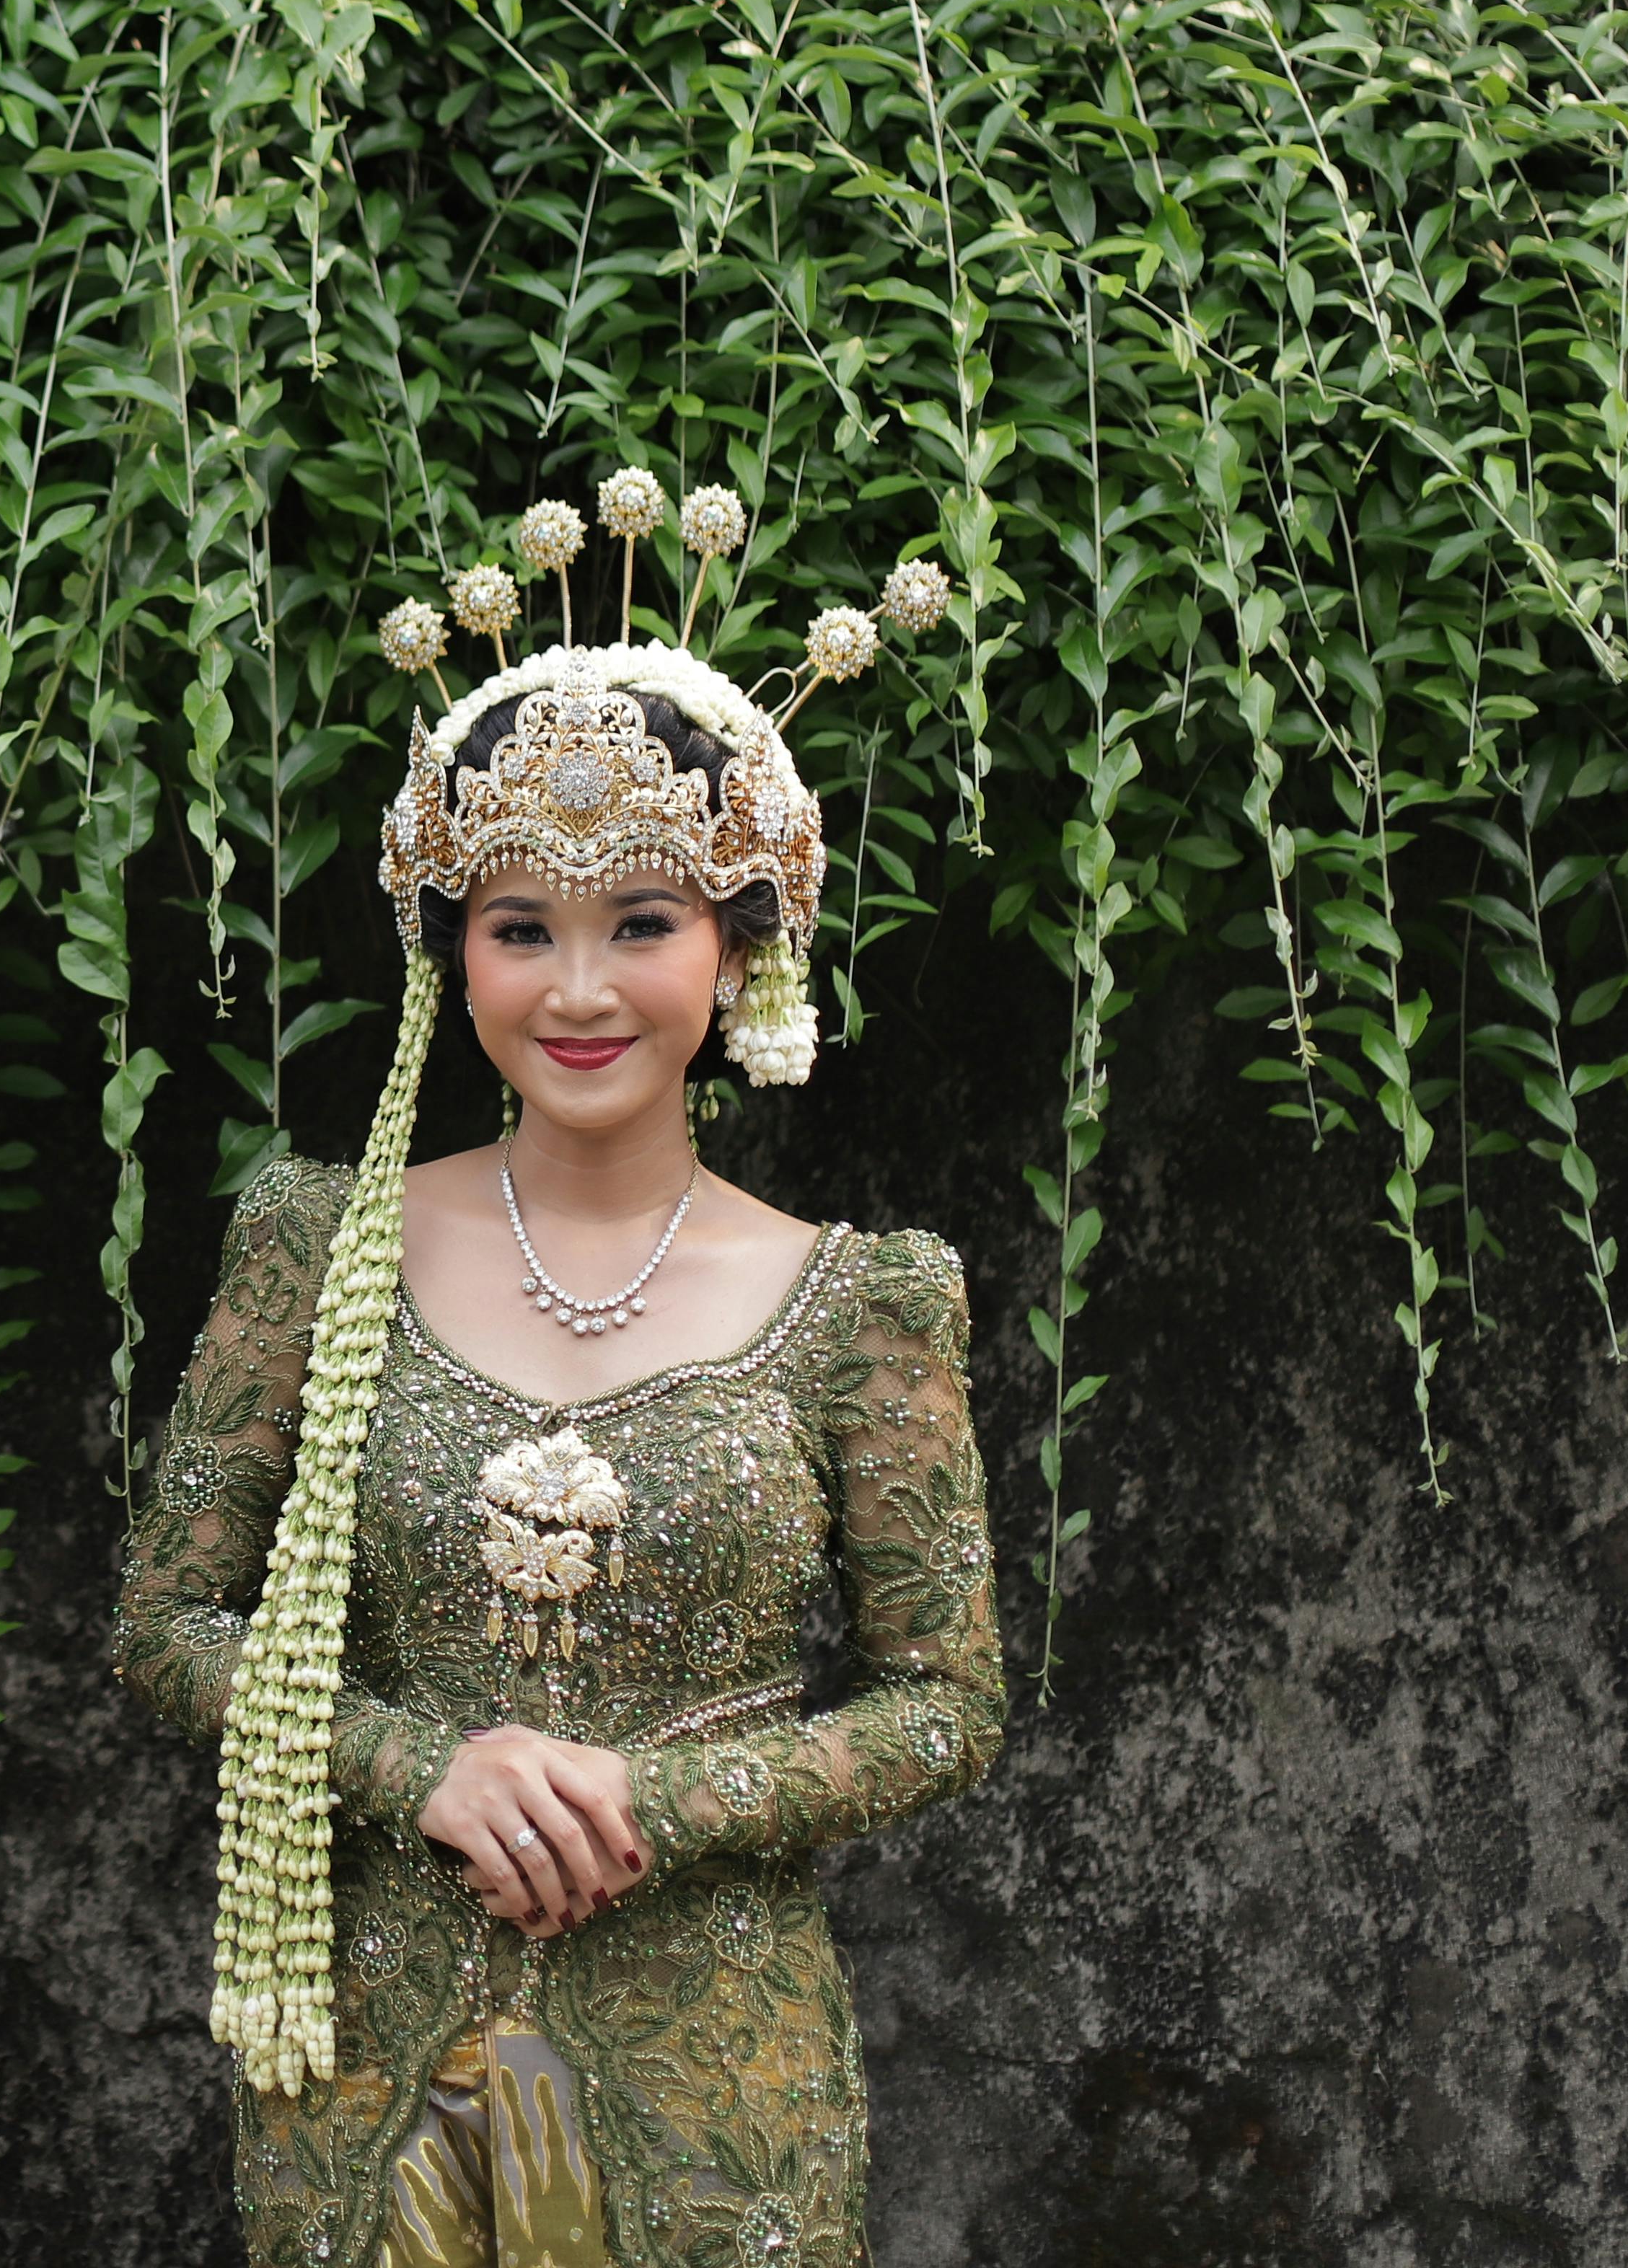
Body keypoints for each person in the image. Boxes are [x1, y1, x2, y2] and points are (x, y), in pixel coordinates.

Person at [115, 477, 1004, 2268]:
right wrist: (415, 1763)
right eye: (521, 924)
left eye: (644, 925)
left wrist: (645, 1803)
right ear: (453, 947)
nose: (578, 988)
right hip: (361, 2065)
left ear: (744, 945)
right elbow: (168, 1627)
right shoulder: (319, 1239)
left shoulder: (861, 1301)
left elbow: (946, 1702)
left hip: (715, 2086)